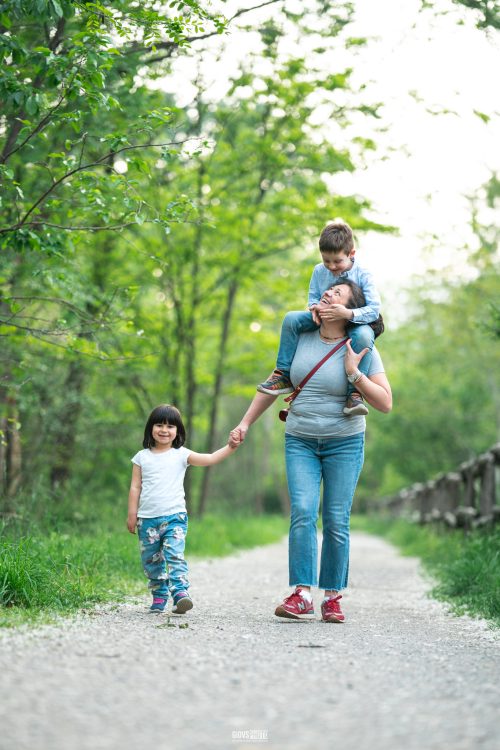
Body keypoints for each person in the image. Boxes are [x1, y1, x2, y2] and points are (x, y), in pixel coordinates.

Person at [231, 280, 392, 623]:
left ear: (348, 308)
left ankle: (332, 597)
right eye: (328, 291)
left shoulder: (363, 344)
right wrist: (245, 423)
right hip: (300, 439)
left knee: (336, 518)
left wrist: (355, 375)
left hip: (345, 442)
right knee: (303, 511)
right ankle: (301, 593)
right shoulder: (300, 337)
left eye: (337, 293)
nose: (328, 294)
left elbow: (386, 403)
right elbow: (274, 384)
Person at [258, 220, 381, 417]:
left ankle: (354, 394)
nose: (331, 266)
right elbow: (313, 296)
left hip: (354, 321)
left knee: (365, 337)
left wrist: (347, 313)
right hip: (325, 318)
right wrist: (314, 309)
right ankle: (283, 375)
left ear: (351, 254)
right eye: (327, 261)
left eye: (337, 261)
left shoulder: (363, 274)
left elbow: (374, 309)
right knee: (291, 319)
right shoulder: (318, 270)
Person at [127, 404, 240, 613]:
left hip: (174, 517)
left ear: (178, 431)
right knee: (151, 561)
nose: (164, 430)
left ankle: (180, 593)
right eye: (159, 425)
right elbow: (135, 486)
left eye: (170, 426)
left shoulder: (181, 454)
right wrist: (132, 514)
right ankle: (159, 594)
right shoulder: (141, 457)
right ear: (150, 428)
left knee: (174, 554)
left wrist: (230, 447)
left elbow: (211, 458)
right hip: (147, 519)